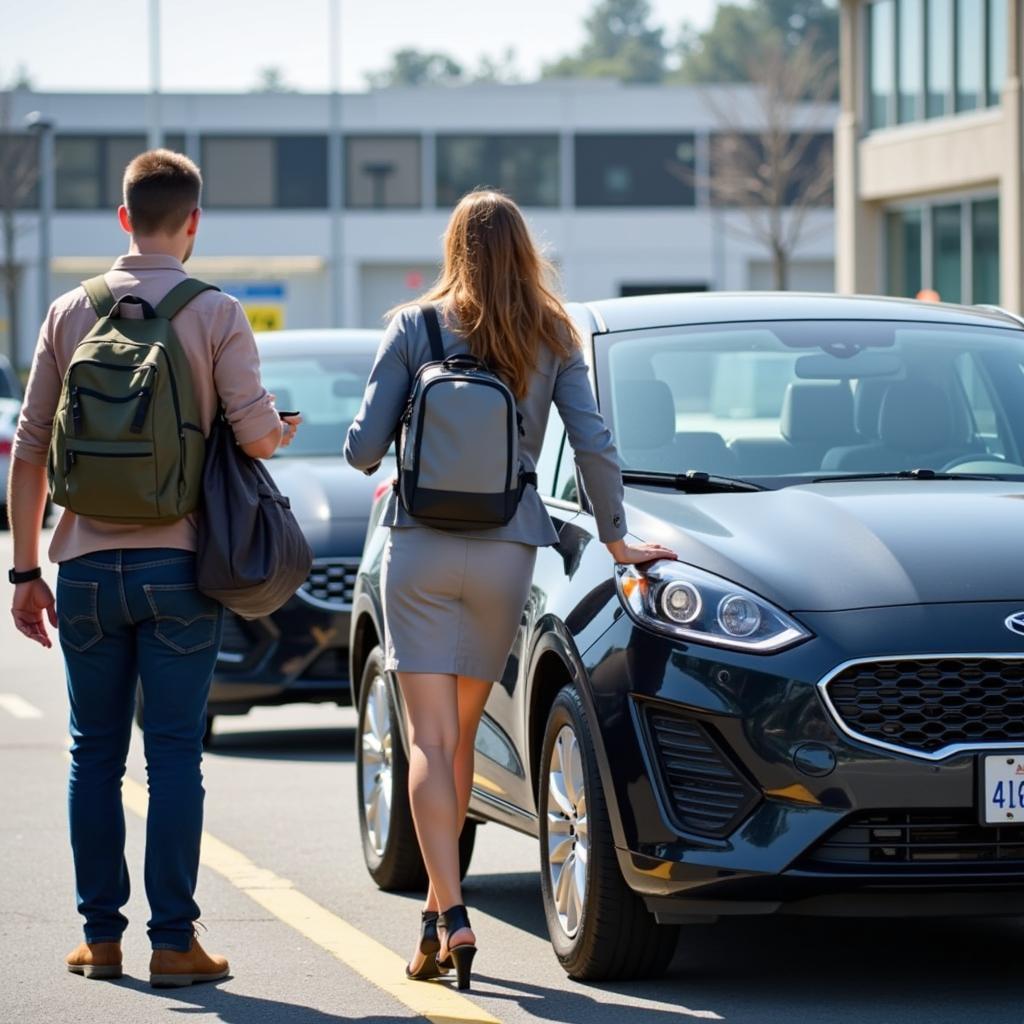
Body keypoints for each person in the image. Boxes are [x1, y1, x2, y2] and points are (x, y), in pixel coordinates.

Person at [345, 189, 676, 989]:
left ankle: (452, 915)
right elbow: (593, 443)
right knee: (458, 740)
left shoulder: (412, 327)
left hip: (419, 549)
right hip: (505, 552)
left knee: (425, 744)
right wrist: (617, 534)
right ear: (525, 249)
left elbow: (361, 451)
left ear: (454, 247)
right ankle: (436, 915)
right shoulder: (552, 332)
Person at [8, 149, 301, 986]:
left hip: (88, 570)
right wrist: (276, 431)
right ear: (194, 222)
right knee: (173, 755)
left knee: (91, 755)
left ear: (124, 217)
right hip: (180, 568)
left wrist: (26, 573)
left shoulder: (70, 309)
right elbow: (251, 438)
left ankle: (101, 939)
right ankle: (174, 943)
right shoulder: (215, 313)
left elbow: (29, 451)